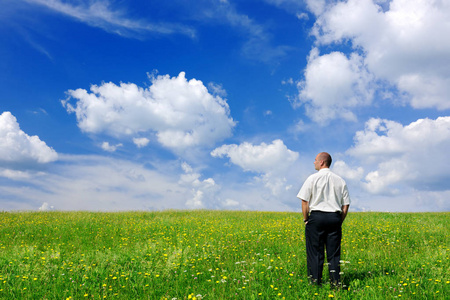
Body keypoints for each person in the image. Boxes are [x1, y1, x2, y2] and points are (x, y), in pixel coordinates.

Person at [297, 152, 350, 286]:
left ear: (321, 162)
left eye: (315, 160)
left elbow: (305, 201)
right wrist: (340, 220)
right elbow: (346, 204)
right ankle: (336, 283)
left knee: (315, 252)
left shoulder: (312, 178)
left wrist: (306, 219)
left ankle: (315, 282)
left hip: (316, 217)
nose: (314, 162)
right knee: (334, 253)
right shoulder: (340, 180)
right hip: (334, 217)